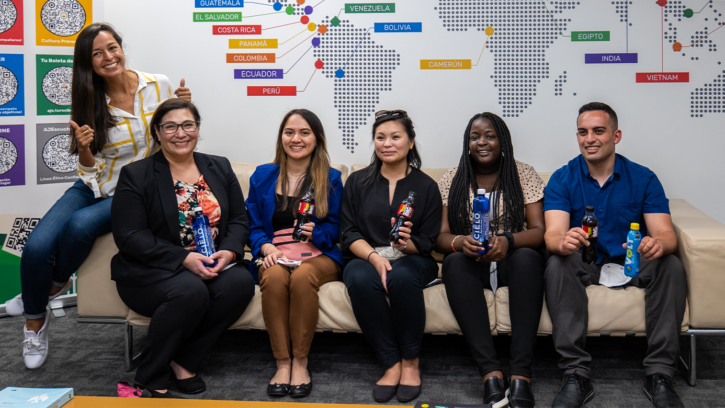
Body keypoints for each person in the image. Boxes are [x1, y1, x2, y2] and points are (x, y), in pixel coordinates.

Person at [6, 22, 191, 369]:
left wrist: (182, 108)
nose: (108, 57)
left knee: (79, 226)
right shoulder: (89, 100)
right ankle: (38, 319)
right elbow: (91, 171)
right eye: (97, 54)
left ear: (121, 48)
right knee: (36, 245)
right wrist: (85, 149)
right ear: (88, 63)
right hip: (93, 184)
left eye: (112, 48)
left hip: (134, 191)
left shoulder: (159, 84)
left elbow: (177, 134)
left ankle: (42, 297)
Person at [543, 102, 687, 408]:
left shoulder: (644, 178)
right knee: (557, 262)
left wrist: (658, 244)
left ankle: (660, 373)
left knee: (670, 264)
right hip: (586, 260)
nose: (589, 139)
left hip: (632, 260)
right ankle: (575, 374)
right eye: (583, 132)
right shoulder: (562, 178)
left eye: (598, 131)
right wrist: (563, 240)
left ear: (616, 135)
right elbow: (552, 235)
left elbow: (665, 234)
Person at [110, 98, 255, 398]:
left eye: (188, 125)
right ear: (157, 132)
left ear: (198, 128)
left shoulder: (219, 166)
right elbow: (129, 236)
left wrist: (228, 252)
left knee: (241, 282)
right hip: (152, 271)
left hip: (213, 262)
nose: (181, 133)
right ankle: (150, 374)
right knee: (190, 290)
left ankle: (184, 360)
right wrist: (184, 258)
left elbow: (240, 219)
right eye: (171, 127)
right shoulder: (137, 174)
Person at [435, 112, 546, 408]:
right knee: (453, 262)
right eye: (475, 137)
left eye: (490, 136)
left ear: (503, 140)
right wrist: (461, 243)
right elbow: (442, 236)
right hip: (475, 264)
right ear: (467, 142)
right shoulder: (452, 178)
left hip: (513, 263)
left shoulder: (523, 173)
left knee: (527, 258)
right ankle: (490, 373)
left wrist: (509, 241)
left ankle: (521, 374)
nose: (482, 142)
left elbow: (539, 231)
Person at [340, 110, 442, 403]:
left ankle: (411, 362)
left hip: (413, 258)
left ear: (410, 142)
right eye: (380, 138)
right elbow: (348, 232)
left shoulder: (426, 186)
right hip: (365, 256)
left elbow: (429, 241)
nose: (387, 143)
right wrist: (374, 257)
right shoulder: (357, 182)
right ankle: (390, 362)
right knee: (358, 278)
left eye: (395, 137)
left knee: (403, 276)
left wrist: (405, 244)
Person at [246, 109, 344, 398]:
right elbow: (251, 224)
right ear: (281, 137)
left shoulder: (332, 178)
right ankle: (282, 362)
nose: (296, 139)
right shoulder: (263, 176)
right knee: (274, 277)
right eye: (289, 132)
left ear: (317, 139)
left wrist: (320, 233)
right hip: (277, 251)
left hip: (318, 255)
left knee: (302, 278)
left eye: (304, 133)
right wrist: (266, 247)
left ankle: (301, 362)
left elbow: (339, 227)